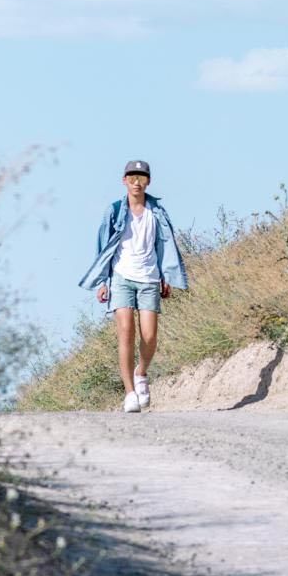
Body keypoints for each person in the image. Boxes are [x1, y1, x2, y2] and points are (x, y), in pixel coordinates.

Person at [78, 159, 188, 414]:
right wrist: (104, 282)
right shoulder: (115, 210)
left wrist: (166, 276)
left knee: (149, 336)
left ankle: (141, 373)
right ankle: (129, 392)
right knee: (125, 332)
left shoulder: (157, 211)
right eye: (131, 177)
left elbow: (165, 246)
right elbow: (103, 248)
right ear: (124, 181)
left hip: (149, 278)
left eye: (141, 177)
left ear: (148, 181)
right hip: (121, 277)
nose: (136, 182)